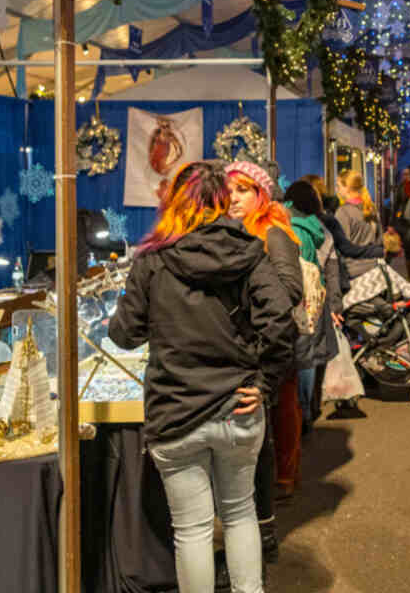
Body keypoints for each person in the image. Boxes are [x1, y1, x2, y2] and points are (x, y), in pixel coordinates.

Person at [109, 162, 295, 593]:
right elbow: (280, 321)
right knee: (240, 512)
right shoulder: (249, 251)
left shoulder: (153, 260)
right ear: (221, 202)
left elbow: (123, 333)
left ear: (177, 201)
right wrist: (264, 382)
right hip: (238, 408)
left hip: (175, 412)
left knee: (191, 529)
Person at [226, 162, 304, 508]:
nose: (233, 198)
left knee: (281, 408)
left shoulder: (273, 232)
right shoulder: (231, 231)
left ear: (261, 195)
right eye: (229, 190)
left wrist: (251, 305)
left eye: (242, 190)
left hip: (273, 339)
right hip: (243, 341)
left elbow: (290, 289)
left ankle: (283, 476)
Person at [282, 180, 346, 432]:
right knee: (309, 358)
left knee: (298, 358)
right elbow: (331, 271)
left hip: (295, 301)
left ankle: (299, 413)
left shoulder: (287, 229)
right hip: (315, 300)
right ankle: (308, 410)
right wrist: (334, 305)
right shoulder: (321, 231)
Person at [335, 169, 383, 280]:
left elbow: (341, 247)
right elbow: (379, 240)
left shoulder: (343, 212)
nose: (337, 190)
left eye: (339, 186)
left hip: (353, 271)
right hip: (374, 268)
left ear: (347, 187)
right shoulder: (371, 208)